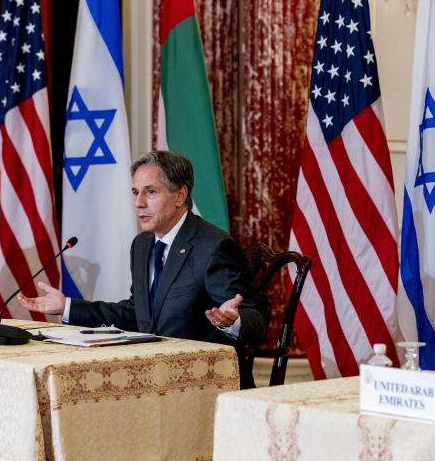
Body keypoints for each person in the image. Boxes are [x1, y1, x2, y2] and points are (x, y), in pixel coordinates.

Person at [19, 150, 267, 387]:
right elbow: (135, 313)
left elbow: (256, 322)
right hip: (150, 378)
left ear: (180, 195)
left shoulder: (214, 247)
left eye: (150, 192)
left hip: (203, 382)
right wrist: (67, 307)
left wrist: (232, 322)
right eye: (135, 192)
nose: (138, 203)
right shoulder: (143, 244)